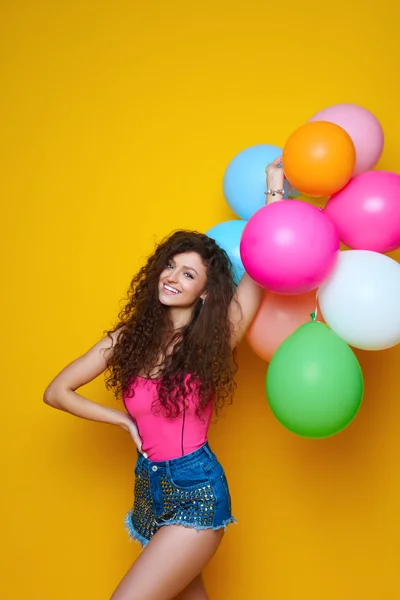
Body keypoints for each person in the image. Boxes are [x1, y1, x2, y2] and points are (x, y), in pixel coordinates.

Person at [43, 158, 285, 600]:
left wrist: (273, 191)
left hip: (197, 491)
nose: (172, 278)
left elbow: (261, 268)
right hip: (150, 491)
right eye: (170, 266)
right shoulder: (127, 339)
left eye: (188, 274)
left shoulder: (216, 338)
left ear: (206, 292)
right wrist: (122, 421)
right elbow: (56, 392)